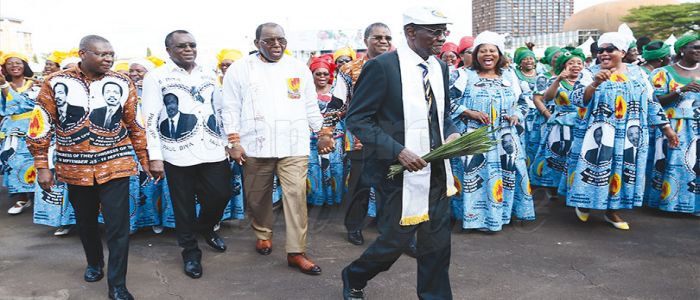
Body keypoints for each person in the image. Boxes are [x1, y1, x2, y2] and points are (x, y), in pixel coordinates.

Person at [341, 8, 461, 299]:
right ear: (410, 32)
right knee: (395, 242)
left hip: (435, 170)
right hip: (395, 174)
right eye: (434, 31)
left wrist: (453, 131)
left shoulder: (439, 67)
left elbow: (441, 115)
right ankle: (355, 275)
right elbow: (357, 119)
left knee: (436, 245)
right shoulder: (382, 67)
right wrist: (398, 151)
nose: (441, 38)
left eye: (443, 30)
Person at [27, 35, 149, 300]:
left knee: (119, 226)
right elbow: (41, 123)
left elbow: (135, 124)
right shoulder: (55, 82)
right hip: (74, 167)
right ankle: (94, 263)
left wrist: (145, 158)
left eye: (111, 54)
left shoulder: (122, 81)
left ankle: (117, 284)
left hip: (116, 164)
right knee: (86, 222)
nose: (109, 59)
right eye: (102, 54)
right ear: (83, 53)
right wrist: (42, 166)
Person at [222, 22, 334, 276]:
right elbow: (229, 107)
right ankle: (262, 232)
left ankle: (296, 252)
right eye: (269, 41)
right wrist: (233, 141)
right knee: (257, 197)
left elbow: (309, 105)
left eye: (281, 40)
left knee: (295, 197)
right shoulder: (240, 70)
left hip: (293, 144)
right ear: (256, 43)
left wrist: (323, 132)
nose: (276, 45)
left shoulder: (297, 68)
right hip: (254, 145)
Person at [565, 32, 679, 230]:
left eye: (610, 49)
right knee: (594, 168)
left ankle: (612, 211)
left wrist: (667, 128)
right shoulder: (589, 72)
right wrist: (594, 84)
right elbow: (576, 99)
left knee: (622, 170)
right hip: (598, 131)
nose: (604, 54)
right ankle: (584, 202)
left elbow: (651, 102)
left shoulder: (638, 73)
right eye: (601, 50)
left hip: (630, 134)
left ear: (623, 52)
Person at [142, 30, 232, 279]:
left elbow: (220, 108)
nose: (189, 49)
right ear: (168, 49)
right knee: (183, 206)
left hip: (212, 148)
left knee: (221, 193)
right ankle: (190, 252)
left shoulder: (208, 73)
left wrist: (227, 141)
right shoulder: (157, 77)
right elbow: (150, 118)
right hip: (176, 153)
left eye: (192, 45)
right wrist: (155, 156)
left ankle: (206, 227)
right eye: (182, 46)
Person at [449, 31, 535, 232]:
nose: (488, 54)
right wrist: (468, 112)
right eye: (483, 51)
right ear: (476, 54)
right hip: (472, 137)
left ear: (499, 54)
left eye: (492, 50)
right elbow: (447, 102)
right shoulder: (462, 75)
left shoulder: (510, 75)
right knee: (473, 177)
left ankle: (501, 215)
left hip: (504, 138)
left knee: (506, 175)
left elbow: (525, 101)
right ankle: (473, 218)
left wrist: (516, 114)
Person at [333, 22, 392, 246]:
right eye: (377, 37)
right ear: (365, 40)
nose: (383, 41)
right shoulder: (349, 70)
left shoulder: (401, 66)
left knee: (393, 185)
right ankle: (354, 227)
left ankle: (393, 230)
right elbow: (337, 102)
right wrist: (327, 131)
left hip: (393, 137)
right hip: (360, 138)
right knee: (360, 184)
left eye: (387, 37)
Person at [645, 34, 700, 215]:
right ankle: (670, 204)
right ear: (682, 50)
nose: (698, 51)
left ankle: (694, 205)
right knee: (673, 165)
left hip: (697, 127)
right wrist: (680, 90)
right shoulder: (663, 73)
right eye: (694, 47)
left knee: (695, 165)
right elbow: (654, 100)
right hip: (672, 127)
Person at [530, 48, 585, 194]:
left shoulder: (587, 80)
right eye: (571, 63)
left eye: (579, 63)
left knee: (576, 157)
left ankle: (572, 188)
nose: (575, 65)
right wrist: (559, 79)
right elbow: (546, 98)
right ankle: (552, 186)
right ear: (563, 65)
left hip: (581, 123)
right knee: (557, 156)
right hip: (560, 124)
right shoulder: (557, 80)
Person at [0, 52, 39, 215]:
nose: (14, 66)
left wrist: (4, 87)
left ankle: (38, 196)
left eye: (18, 63)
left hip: (33, 128)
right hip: (11, 130)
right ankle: (21, 198)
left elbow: (24, 102)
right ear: (4, 68)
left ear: (25, 66)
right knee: (13, 162)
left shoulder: (36, 83)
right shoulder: (2, 84)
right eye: (10, 63)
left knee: (35, 162)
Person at [307, 57, 345, 207]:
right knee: (314, 167)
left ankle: (335, 199)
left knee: (336, 167)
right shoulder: (307, 92)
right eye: (318, 74)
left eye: (325, 74)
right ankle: (317, 199)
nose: (322, 77)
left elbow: (344, 111)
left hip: (335, 136)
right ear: (312, 75)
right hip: (312, 137)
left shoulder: (337, 91)